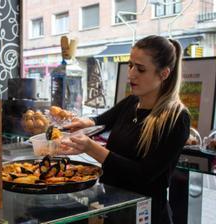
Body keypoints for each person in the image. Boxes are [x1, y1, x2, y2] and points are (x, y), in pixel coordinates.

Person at [59, 35, 190, 224]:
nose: (131, 74)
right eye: (130, 65)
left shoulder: (176, 118)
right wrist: (76, 124)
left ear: (164, 74)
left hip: (146, 216)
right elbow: (98, 121)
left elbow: (144, 175)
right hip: (115, 210)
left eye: (141, 69)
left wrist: (91, 148)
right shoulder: (132, 103)